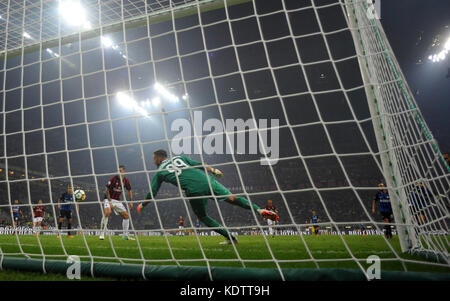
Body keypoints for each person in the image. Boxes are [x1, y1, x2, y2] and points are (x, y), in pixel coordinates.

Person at [137, 150, 278, 245]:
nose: (153, 160)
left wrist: (142, 205)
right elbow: (199, 164)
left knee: (203, 216)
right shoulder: (179, 157)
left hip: (193, 190)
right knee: (233, 198)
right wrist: (213, 170)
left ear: (159, 158)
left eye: (154, 158)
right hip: (207, 180)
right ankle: (259, 210)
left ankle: (231, 238)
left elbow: (152, 193)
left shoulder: (160, 172)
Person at [100, 165, 134, 241]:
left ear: (124, 172)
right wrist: (110, 202)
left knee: (126, 216)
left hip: (117, 200)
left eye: (120, 171)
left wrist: (131, 201)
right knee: (107, 212)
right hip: (108, 198)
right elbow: (107, 190)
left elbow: (129, 190)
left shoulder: (126, 180)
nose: (118, 172)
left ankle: (125, 236)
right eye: (118, 170)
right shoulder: (113, 179)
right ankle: (102, 234)